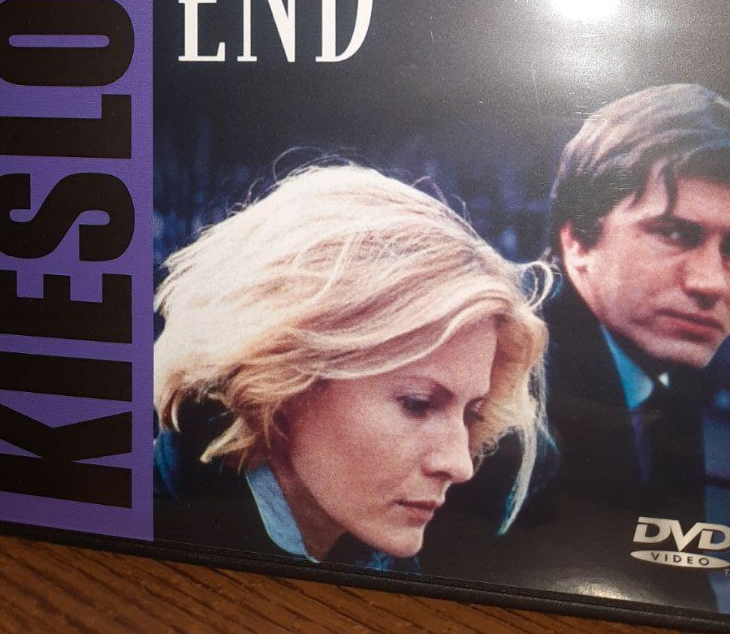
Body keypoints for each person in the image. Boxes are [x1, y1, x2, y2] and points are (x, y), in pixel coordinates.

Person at [424, 84, 730, 610]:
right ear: (577, 240)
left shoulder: (665, 354)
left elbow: (677, 574)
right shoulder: (487, 374)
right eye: (675, 233)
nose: (711, 283)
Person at [153, 163, 551, 574]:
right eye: (417, 404)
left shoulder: (392, 559)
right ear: (284, 377)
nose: (459, 465)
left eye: (471, 415)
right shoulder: (154, 541)